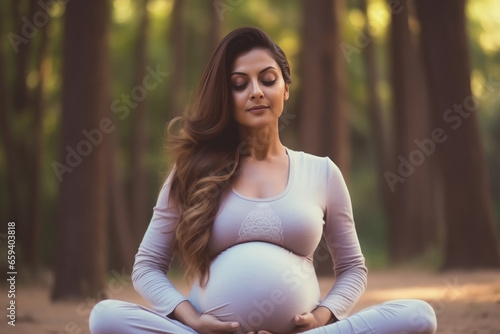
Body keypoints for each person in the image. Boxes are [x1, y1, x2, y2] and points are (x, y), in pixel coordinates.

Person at [89, 27, 437, 334]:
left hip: (303, 333)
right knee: (105, 316)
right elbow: (147, 267)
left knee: (418, 315)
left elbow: (352, 268)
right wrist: (192, 321)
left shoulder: (322, 172)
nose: (255, 91)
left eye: (267, 79)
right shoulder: (192, 171)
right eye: (240, 84)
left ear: (285, 88)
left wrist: (321, 317)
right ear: (227, 98)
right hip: (205, 333)